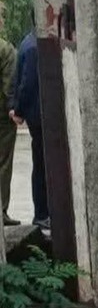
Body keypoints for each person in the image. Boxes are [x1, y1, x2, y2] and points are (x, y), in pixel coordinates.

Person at [10, 30, 49, 231]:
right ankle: (42, 214)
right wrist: (19, 110)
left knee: (41, 164)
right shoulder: (35, 47)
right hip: (39, 116)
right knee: (42, 165)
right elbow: (27, 84)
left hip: (36, 115)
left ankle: (43, 213)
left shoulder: (28, 42)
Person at [0, 4, 20, 226]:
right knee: (3, 163)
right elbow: (9, 87)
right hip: (2, 119)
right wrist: (14, 110)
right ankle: (1, 210)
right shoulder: (5, 50)